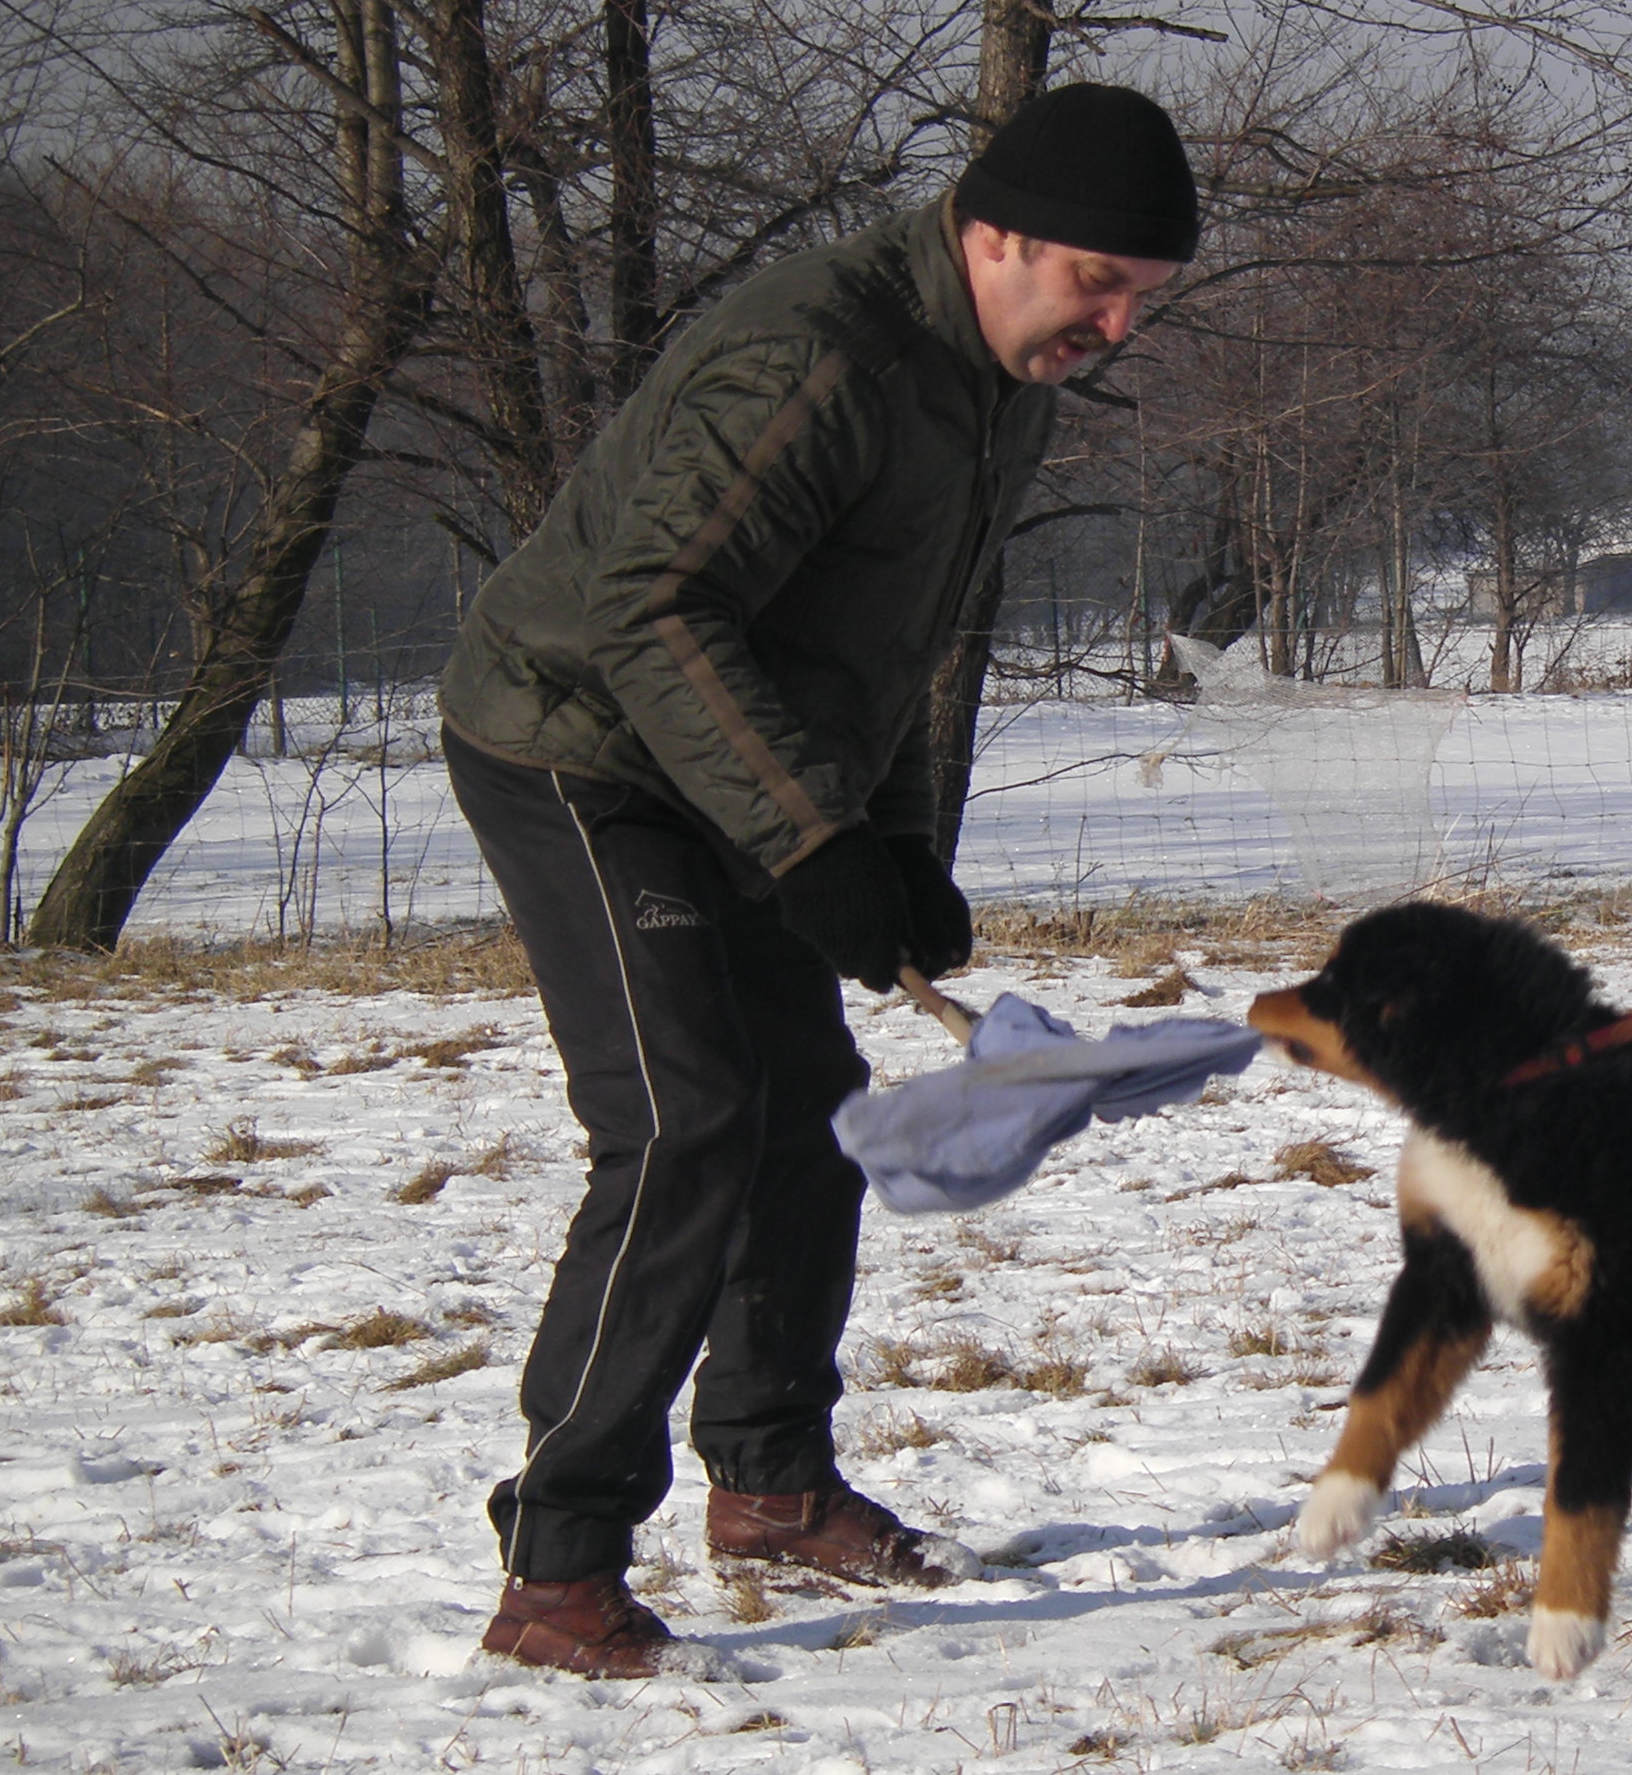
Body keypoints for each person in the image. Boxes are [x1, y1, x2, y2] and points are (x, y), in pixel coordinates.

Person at [438, 85, 1197, 1678]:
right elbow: (652, 608)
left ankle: (770, 1482)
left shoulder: (1002, 384)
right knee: (685, 1121)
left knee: (809, 1111)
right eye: (1095, 284)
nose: (1115, 326)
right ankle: (558, 1568)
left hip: (736, 755)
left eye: (1142, 299)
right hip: (577, 739)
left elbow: (883, 642)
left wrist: (897, 836)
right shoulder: (819, 357)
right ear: (992, 235)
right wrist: (810, 842)